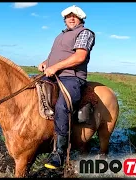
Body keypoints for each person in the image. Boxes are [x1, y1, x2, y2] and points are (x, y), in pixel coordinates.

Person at [38, 5, 96, 169]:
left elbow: (79, 56)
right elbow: (57, 55)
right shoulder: (60, 35)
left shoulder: (85, 33)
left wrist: (55, 67)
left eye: (75, 16)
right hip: (53, 75)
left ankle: (59, 153)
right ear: (64, 19)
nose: (71, 18)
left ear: (80, 19)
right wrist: (46, 63)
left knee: (62, 106)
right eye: (68, 16)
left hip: (72, 77)